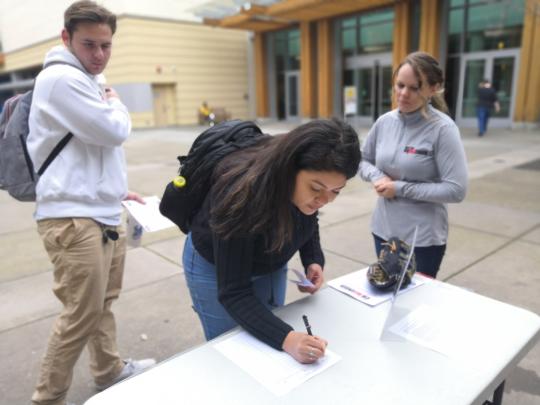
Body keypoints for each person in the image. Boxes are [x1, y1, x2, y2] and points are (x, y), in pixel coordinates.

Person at [27, 2, 155, 404]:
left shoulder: (87, 77)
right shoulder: (61, 79)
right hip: (72, 219)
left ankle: (107, 371)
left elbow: (92, 152)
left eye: (106, 45)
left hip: (99, 210)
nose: (99, 54)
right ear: (65, 38)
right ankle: (47, 398)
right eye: (89, 44)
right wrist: (116, 103)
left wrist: (116, 191)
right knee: (79, 316)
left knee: (103, 304)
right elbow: (112, 130)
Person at [183, 118, 361, 363]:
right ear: (290, 169)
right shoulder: (242, 193)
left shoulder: (305, 188)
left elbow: (308, 217)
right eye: (316, 188)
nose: (324, 200)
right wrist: (287, 338)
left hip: (268, 256)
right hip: (214, 265)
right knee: (232, 351)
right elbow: (233, 292)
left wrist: (313, 260)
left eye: (335, 191)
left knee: (266, 335)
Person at [358, 51, 468, 279]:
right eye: (400, 85)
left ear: (433, 88)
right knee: (385, 294)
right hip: (383, 231)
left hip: (422, 240)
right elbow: (362, 159)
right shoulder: (384, 122)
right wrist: (377, 176)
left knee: (413, 306)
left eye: (414, 87)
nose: (403, 94)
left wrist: (399, 188)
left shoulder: (443, 130)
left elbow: (456, 190)